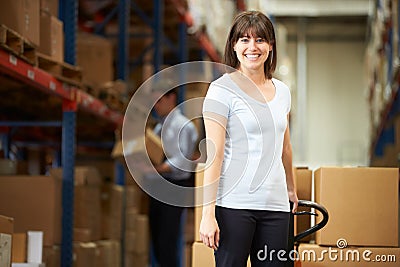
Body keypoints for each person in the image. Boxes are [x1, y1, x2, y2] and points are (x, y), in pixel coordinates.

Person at [200, 10, 298, 267]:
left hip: (276, 208)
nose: (252, 47)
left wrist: (290, 189)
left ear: (270, 46)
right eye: (244, 40)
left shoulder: (283, 92)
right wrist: (207, 214)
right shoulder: (221, 90)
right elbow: (215, 154)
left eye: (260, 40)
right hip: (234, 206)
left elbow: (285, 146)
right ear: (234, 45)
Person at [148, 88, 198, 267]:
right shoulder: (160, 126)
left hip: (174, 185)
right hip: (158, 185)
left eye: (159, 102)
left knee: (167, 239)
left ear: (172, 98)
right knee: (156, 238)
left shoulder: (183, 126)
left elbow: (183, 159)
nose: (156, 107)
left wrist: (161, 168)